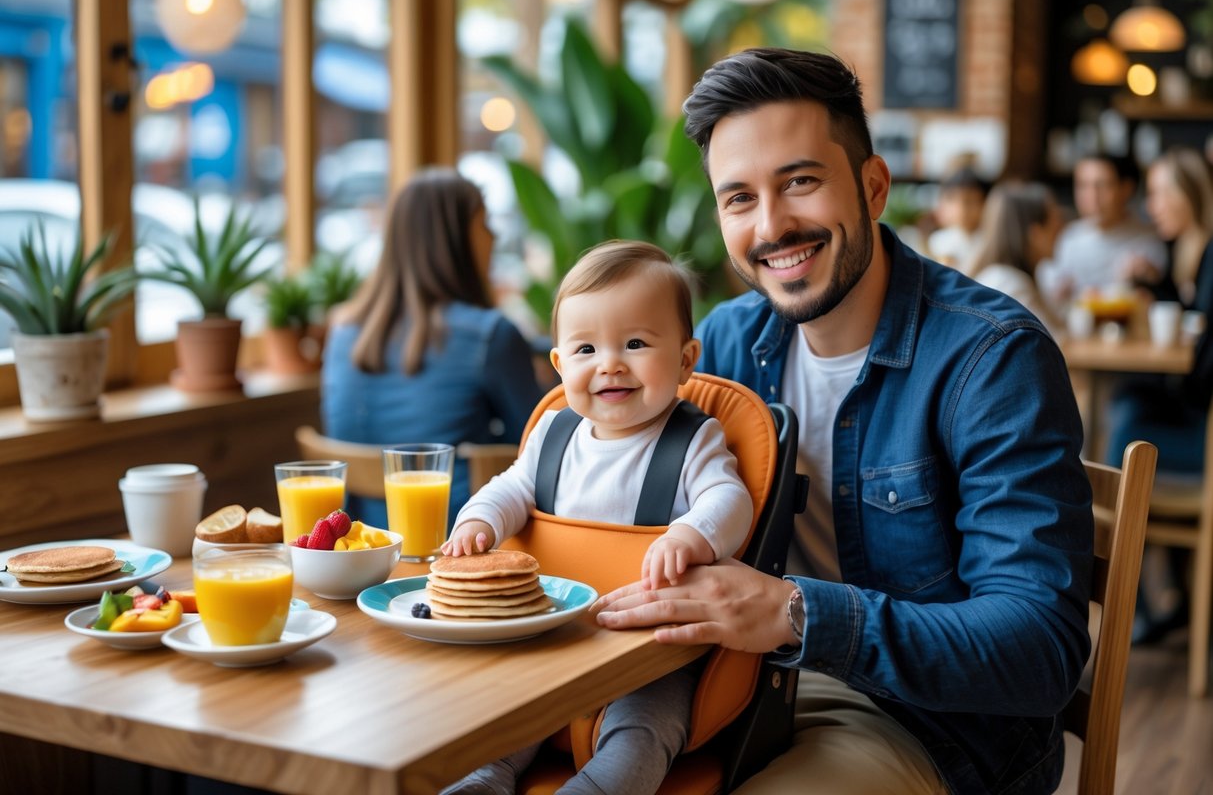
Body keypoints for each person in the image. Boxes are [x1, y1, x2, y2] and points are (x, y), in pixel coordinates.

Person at [592, 48, 1093, 795]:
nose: (771, 227)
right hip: (728, 690)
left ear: (872, 185)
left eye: (799, 182)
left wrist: (793, 614)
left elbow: (1038, 653)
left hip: (926, 726)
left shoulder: (991, 360)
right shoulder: (724, 344)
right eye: (738, 198)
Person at [440, 240, 753, 795]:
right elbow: (512, 487)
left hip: (653, 651)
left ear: (685, 360)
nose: (609, 363)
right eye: (585, 349)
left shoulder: (692, 438)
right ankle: (485, 778)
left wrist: (691, 533)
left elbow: (730, 501)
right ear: (559, 366)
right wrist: (479, 521)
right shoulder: (553, 432)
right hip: (553, 634)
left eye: (635, 343)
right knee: (505, 716)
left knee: (643, 731)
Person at [321, 167, 544, 528]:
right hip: (464, 541)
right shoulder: (492, 334)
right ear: (457, 239)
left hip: (360, 546)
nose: (495, 236)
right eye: (484, 224)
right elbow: (543, 447)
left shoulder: (342, 332)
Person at [1105, 146, 1213, 643]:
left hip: (1205, 438)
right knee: (1129, 402)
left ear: (1190, 195)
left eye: (1160, 193)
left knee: (1129, 422)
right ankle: (1141, 598)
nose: (1153, 206)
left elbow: (1200, 360)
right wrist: (1160, 286)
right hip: (1196, 415)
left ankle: (1119, 591)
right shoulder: (1188, 251)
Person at [1038, 152, 1164, 312]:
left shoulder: (1149, 240)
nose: (1092, 196)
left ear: (1126, 188)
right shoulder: (1067, 238)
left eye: (1103, 186)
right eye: (1083, 186)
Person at [964, 181, 1066, 340]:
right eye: (1055, 223)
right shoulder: (1009, 284)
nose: (1061, 229)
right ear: (1036, 234)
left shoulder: (1012, 277)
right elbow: (1052, 343)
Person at [925, 165, 988, 267]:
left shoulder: (989, 241)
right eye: (953, 200)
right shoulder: (939, 241)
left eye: (970, 201)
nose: (962, 209)